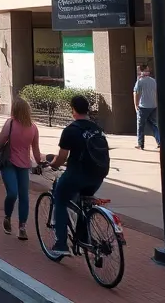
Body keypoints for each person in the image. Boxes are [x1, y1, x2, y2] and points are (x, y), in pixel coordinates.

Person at [43, 94, 111, 257]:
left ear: (73, 110)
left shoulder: (71, 130)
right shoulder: (98, 129)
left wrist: (52, 164)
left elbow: (62, 158)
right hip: (98, 175)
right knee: (85, 203)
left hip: (77, 174)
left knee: (59, 199)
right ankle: (84, 239)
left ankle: (61, 244)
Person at [0, 97, 44, 240]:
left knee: (20, 195)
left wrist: (39, 162)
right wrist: (41, 161)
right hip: (10, 163)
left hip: (22, 165)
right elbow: (36, 150)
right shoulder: (27, 126)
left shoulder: (17, 125)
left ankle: (22, 227)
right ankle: (8, 217)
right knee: (15, 193)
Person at [133, 64, 160, 150]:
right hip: (153, 106)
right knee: (154, 124)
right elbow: (156, 93)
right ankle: (159, 142)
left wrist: (136, 105)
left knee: (140, 126)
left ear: (141, 71)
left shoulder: (140, 81)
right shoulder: (153, 81)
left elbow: (136, 93)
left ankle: (140, 144)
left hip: (143, 106)